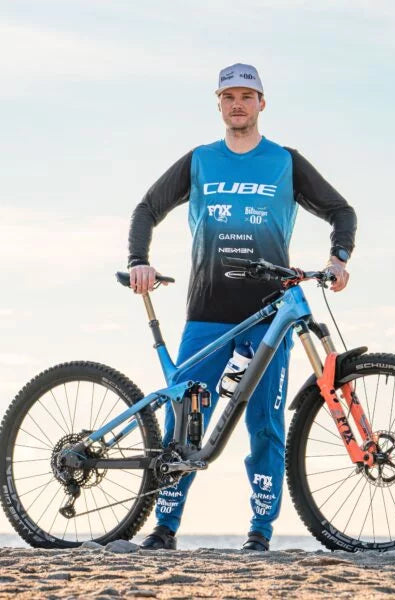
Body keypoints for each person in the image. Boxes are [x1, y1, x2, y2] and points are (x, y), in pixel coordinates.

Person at [128, 63, 356, 551]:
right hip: (206, 312)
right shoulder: (200, 161)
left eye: (246, 96)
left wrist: (338, 259)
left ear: (261, 104)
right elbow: (146, 209)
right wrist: (138, 261)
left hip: (269, 315)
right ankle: (164, 529)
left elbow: (342, 211)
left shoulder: (284, 162)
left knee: (265, 426)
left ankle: (260, 534)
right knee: (184, 421)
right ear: (218, 103)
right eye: (229, 96)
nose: (238, 104)